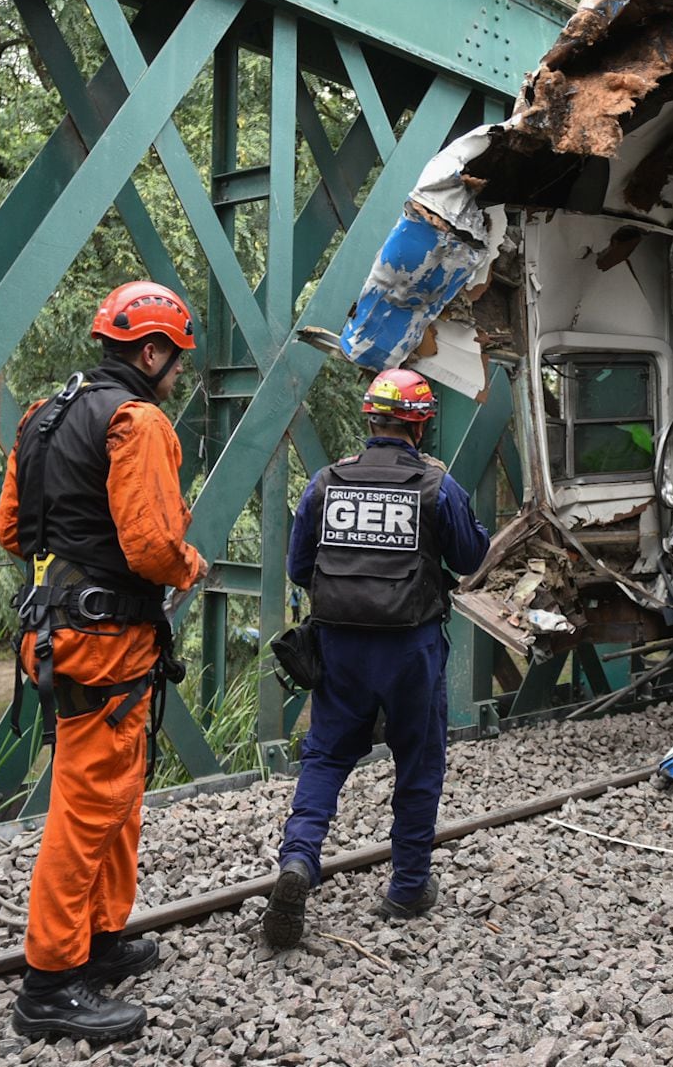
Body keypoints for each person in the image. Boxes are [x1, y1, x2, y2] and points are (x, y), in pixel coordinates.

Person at [0, 280, 207, 1042]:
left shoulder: (42, 415)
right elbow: (151, 544)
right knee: (87, 809)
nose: (178, 374)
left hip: (60, 629)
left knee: (116, 793)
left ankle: (101, 935)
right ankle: (50, 984)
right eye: (175, 359)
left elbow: (12, 531)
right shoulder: (135, 419)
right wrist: (188, 563)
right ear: (149, 352)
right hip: (107, 638)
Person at [262, 368, 489, 950]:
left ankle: (299, 861)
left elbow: (298, 567)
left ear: (370, 419)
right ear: (421, 423)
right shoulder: (436, 486)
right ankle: (408, 885)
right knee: (418, 760)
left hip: (339, 646)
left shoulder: (326, 483)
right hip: (410, 648)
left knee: (326, 756)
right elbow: (469, 558)